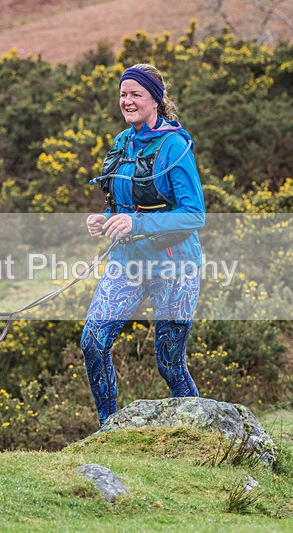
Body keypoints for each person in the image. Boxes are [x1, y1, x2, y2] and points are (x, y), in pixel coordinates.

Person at [81, 63, 205, 426]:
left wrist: (136, 222)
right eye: (123, 94)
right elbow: (124, 197)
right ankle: (109, 428)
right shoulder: (122, 141)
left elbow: (194, 215)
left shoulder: (175, 147)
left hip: (175, 267)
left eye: (136, 94)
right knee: (93, 342)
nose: (128, 101)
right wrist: (106, 218)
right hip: (127, 262)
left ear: (155, 100)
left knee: (169, 364)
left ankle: (198, 430)